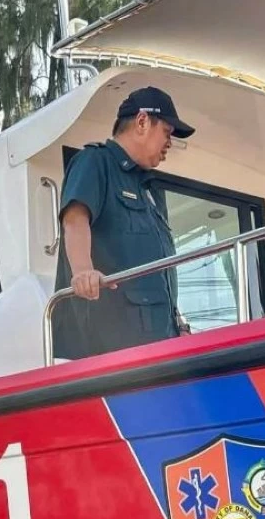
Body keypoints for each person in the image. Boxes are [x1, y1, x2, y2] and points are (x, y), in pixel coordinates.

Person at [53, 85, 195, 359]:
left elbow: (160, 271)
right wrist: (83, 271)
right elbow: (75, 219)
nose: (169, 142)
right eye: (167, 132)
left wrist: (178, 325)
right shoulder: (95, 162)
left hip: (159, 346)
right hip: (112, 349)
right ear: (142, 121)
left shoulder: (150, 190)